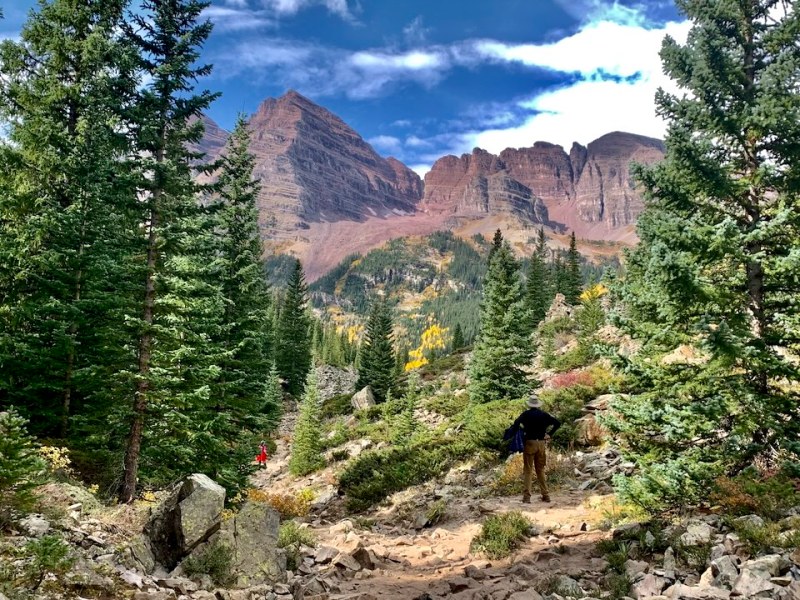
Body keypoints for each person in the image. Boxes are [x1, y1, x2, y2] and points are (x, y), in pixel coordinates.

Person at [512, 393, 561, 503]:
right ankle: (546, 495)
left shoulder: (525, 414)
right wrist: (550, 434)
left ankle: (527, 497)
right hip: (541, 444)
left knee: (528, 471)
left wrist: (522, 431)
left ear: (529, 405)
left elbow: (515, 424)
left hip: (529, 443)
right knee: (541, 470)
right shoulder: (544, 414)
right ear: (538, 404)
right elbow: (557, 423)